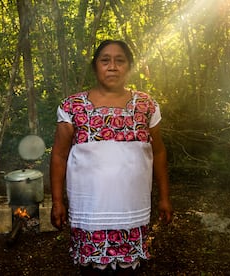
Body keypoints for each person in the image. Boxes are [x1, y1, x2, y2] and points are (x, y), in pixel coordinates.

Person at [50, 39, 173, 276]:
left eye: (120, 61)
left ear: (129, 66)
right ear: (95, 66)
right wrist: (57, 201)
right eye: (105, 60)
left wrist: (164, 197)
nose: (113, 67)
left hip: (132, 211)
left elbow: (158, 152)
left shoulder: (146, 105)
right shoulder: (73, 107)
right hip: (90, 213)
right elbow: (58, 155)